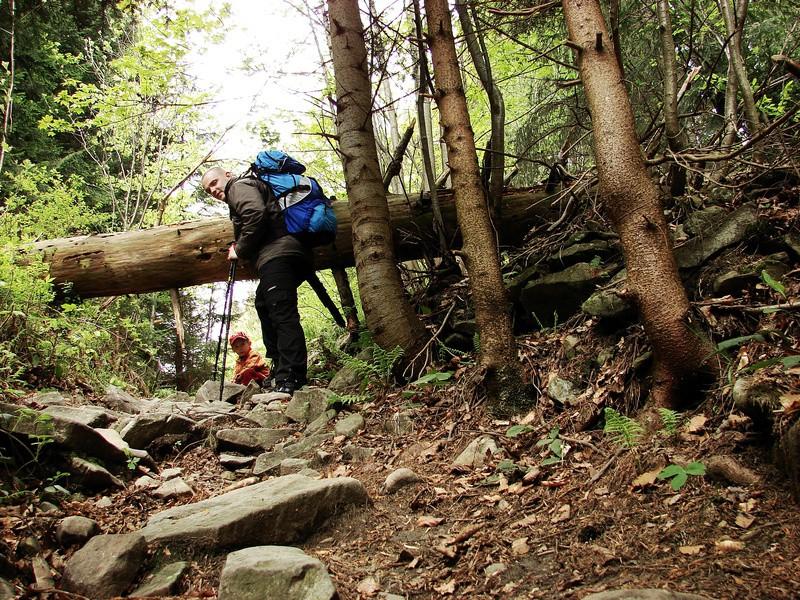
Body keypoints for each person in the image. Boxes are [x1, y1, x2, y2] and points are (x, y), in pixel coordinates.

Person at [201, 166, 313, 395]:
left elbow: (255, 213)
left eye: (214, 182)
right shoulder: (241, 190)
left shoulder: (239, 186)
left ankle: (292, 376)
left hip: (279, 255)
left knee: (282, 315)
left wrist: (239, 249)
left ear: (228, 175)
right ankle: (281, 368)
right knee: (263, 304)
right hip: (277, 257)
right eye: (207, 189)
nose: (212, 190)